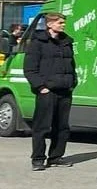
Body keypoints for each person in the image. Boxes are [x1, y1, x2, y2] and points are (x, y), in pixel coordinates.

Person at [24, 13, 77, 171]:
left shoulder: (66, 42)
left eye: (63, 22)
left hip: (65, 91)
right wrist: (41, 87)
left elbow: (72, 66)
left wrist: (73, 82)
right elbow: (30, 69)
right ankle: (38, 159)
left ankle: (55, 157)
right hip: (47, 92)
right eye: (60, 22)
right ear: (49, 24)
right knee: (42, 126)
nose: (63, 25)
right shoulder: (38, 43)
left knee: (62, 127)